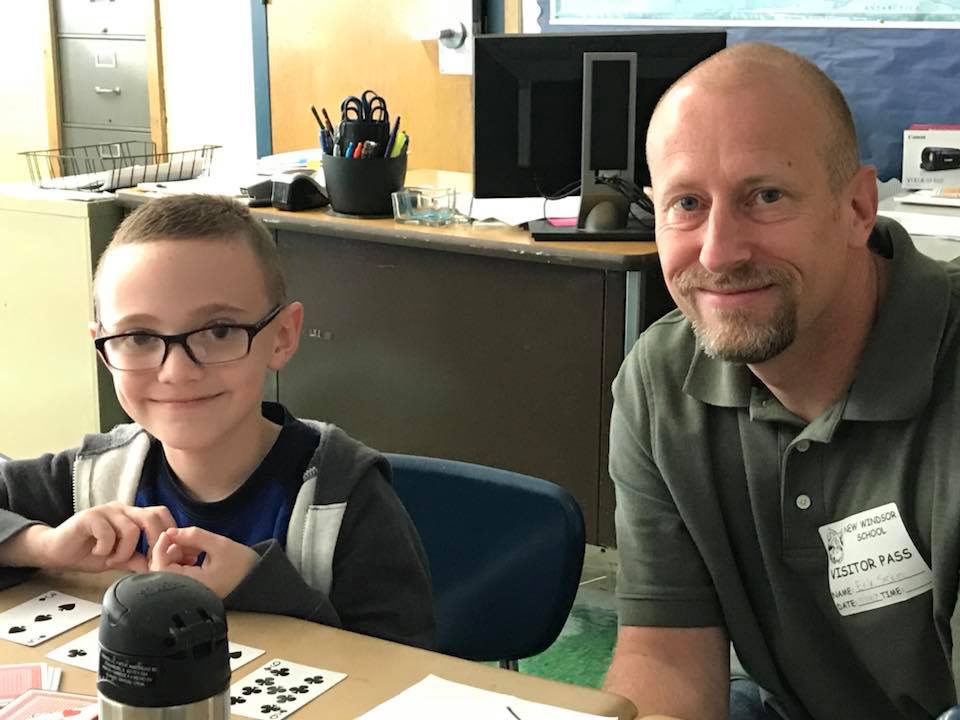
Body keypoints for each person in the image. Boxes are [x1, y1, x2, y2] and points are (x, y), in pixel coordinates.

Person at [604, 42, 960, 719]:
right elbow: (665, 655)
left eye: (765, 196)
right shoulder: (661, 382)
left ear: (856, 208)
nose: (717, 251)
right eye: (686, 203)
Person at [0, 194, 435, 650]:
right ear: (104, 350)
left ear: (282, 337)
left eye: (220, 331)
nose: (177, 371)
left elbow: (407, 667)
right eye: (139, 337)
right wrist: (42, 545)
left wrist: (257, 586)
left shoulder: (343, 500)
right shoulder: (91, 476)